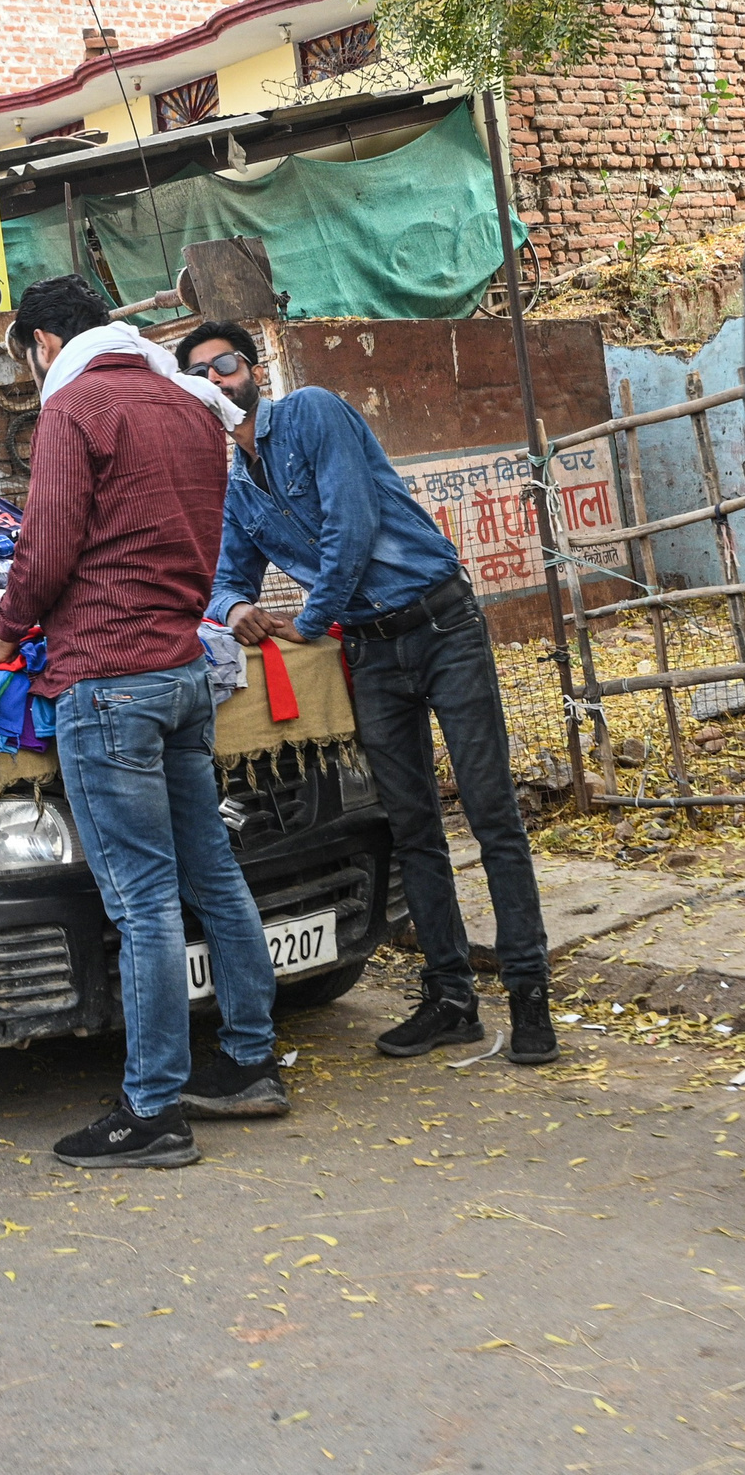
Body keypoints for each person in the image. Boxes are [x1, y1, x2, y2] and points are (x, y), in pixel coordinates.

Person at [0, 275, 286, 1170]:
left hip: (108, 677)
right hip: (184, 668)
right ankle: (249, 1059)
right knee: (210, 875)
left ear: (40, 343)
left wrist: (2, 632)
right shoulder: (186, 404)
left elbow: (48, 544)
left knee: (143, 899)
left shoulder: (78, 405)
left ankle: (152, 1108)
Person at [181, 321, 559, 1066]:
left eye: (223, 365)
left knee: (492, 815)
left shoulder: (312, 411)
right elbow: (224, 578)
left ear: (251, 368)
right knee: (411, 826)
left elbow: (348, 529)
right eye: (199, 377)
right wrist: (236, 611)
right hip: (371, 652)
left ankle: (529, 996)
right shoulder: (239, 492)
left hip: (442, 623)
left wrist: (310, 620)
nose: (217, 381)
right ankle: (452, 1001)